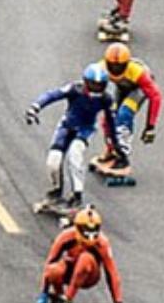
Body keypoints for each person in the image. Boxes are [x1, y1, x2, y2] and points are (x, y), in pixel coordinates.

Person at [27, 65, 119, 213]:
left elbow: (111, 121)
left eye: (100, 85)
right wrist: (35, 108)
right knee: (53, 160)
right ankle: (55, 192)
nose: (96, 89)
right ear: (86, 82)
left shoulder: (106, 99)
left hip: (85, 129)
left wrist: (115, 143)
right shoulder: (75, 89)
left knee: (75, 155)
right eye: (93, 85)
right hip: (66, 126)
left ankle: (77, 196)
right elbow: (52, 95)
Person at [36, 204, 132, 303]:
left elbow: (111, 272)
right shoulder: (65, 237)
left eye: (94, 231)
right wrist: (44, 293)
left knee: (85, 258)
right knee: (54, 270)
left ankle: (67, 299)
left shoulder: (102, 244)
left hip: (89, 274)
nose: (90, 237)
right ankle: (58, 297)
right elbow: (49, 264)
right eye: (86, 232)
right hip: (70, 269)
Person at [95, 40, 162, 178]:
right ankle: (110, 150)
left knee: (125, 114)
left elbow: (155, 97)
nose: (115, 69)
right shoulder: (100, 69)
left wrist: (150, 126)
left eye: (119, 67)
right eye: (112, 66)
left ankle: (122, 157)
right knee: (109, 115)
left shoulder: (139, 72)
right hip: (120, 87)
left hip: (138, 88)